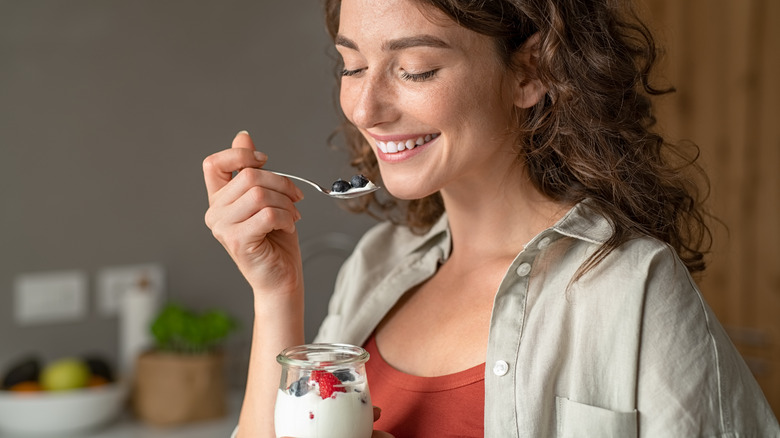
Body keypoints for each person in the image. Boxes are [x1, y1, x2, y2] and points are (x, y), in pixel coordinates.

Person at [203, 0, 780, 436]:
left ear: (530, 73)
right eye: (352, 66)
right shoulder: (375, 265)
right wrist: (276, 295)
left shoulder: (634, 288)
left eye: (416, 69)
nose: (365, 109)